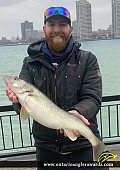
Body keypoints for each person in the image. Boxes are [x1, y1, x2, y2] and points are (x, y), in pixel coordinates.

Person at [6, 7, 109, 170]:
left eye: (62, 24)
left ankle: (97, 146)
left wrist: (77, 113)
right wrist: (16, 100)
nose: (56, 30)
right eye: (51, 24)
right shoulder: (30, 63)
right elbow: (22, 108)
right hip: (46, 149)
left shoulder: (87, 59)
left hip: (83, 145)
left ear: (70, 29)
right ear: (44, 29)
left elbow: (93, 98)